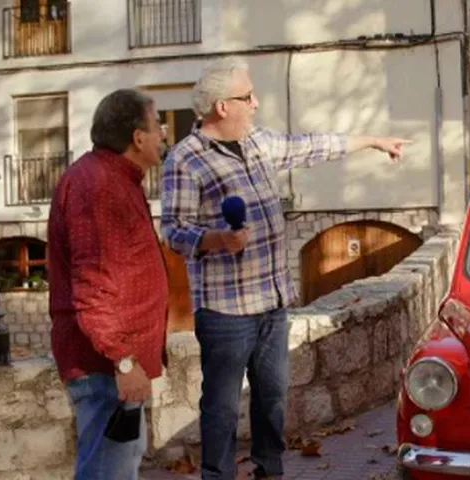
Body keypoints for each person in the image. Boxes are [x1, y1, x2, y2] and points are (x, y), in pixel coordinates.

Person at [161, 57, 410, 480]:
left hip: (273, 303)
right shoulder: (185, 160)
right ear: (223, 106)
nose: (256, 103)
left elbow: (312, 145)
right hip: (225, 311)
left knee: (272, 398)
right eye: (247, 96)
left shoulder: (257, 142)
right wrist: (216, 239)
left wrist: (374, 140)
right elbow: (173, 231)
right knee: (220, 407)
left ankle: (269, 471)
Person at [48, 88, 169, 480]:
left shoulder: (112, 179)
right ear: (138, 137)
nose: (164, 134)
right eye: (158, 126)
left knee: (118, 467)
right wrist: (124, 359)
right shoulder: (98, 185)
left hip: (111, 367)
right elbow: (92, 286)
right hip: (104, 368)